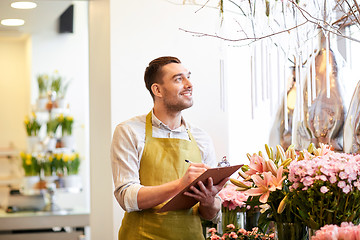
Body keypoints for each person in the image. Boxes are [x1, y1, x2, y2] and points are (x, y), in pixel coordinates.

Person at [111, 56, 228, 239]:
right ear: (157, 89)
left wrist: (209, 201)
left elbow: (211, 215)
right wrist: (180, 185)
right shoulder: (129, 132)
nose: (189, 84)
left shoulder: (201, 138)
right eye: (178, 79)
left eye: (188, 77)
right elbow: (127, 197)